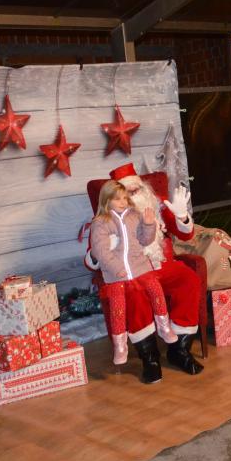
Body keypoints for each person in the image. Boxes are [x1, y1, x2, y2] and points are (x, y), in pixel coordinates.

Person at [87, 163, 203, 383]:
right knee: (135, 293)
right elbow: (93, 258)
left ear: (144, 189)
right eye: (127, 193)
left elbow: (186, 236)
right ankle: (150, 359)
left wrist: (182, 217)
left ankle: (179, 350)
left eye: (136, 190)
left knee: (188, 280)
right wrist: (106, 248)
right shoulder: (105, 221)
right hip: (134, 271)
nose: (131, 197)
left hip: (164, 265)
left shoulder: (157, 207)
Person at [90, 180, 177, 367]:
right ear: (106, 200)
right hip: (115, 275)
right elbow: (100, 251)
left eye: (125, 198)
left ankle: (164, 327)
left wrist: (148, 225)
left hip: (140, 267)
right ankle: (120, 345)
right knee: (118, 308)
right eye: (117, 199)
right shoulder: (101, 223)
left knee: (156, 291)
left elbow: (145, 241)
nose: (123, 202)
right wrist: (117, 268)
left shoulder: (135, 215)